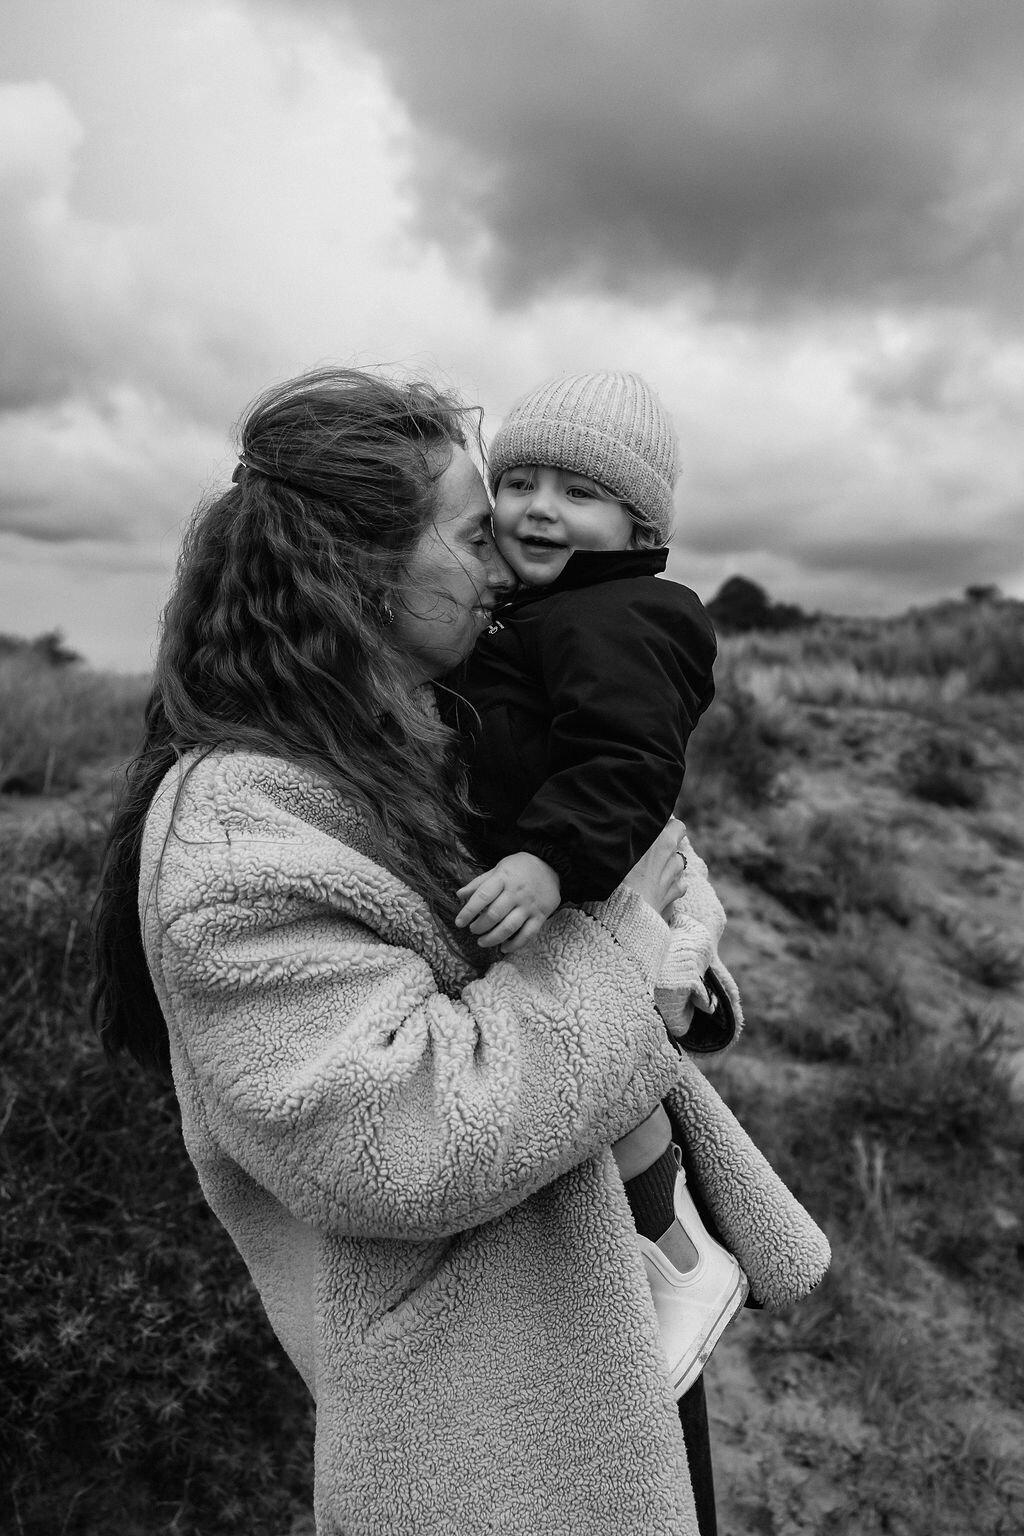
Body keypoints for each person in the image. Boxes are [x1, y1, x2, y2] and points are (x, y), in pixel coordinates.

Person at [91, 366, 830, 1536]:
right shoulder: (243, 830)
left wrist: (668, 947)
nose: (508, 560)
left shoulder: (424, 736)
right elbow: (403, 1143)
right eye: (478, 527)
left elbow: (647, 879)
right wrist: (640, 949)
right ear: (362, 570)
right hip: (480, 1424)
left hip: (601, 1330)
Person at [440, 371, 747, 1415]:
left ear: (637, 522)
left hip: (590, 881)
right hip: (575, 873)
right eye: (518, 480)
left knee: (608, 1068)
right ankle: (634, 1256)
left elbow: (625, 760)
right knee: (583, 1066)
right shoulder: (546, 611)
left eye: (576, 492)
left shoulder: (624, 614)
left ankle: (676, 1252)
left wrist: (545, 861)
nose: (536, 507)